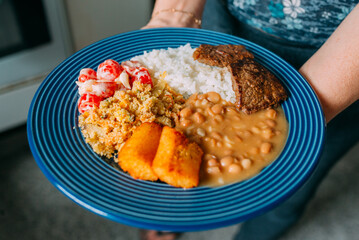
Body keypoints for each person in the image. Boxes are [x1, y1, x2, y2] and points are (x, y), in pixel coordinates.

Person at [141, 0, 359, 239]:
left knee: (287, 192)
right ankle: (170, 221)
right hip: (225, 15)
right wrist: (174, 15)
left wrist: (310, 105)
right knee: (171, 163)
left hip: (344, 58)